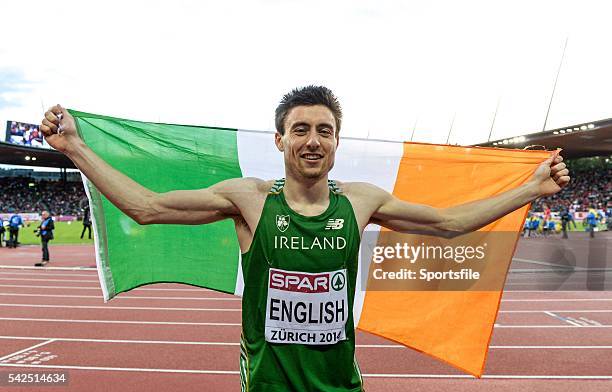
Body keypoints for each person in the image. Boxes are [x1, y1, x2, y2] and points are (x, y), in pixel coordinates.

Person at [40, 86, 570, 391]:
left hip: (340, 387)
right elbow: (147, 208)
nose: (312, 140)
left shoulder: (362, 201)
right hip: (268, 389)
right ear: (280, 139)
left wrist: (531, 188)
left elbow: (450, 223)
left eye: (324, 130)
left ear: (337, 141)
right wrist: (75, 150)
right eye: (300, 129)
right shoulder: (248, 199)